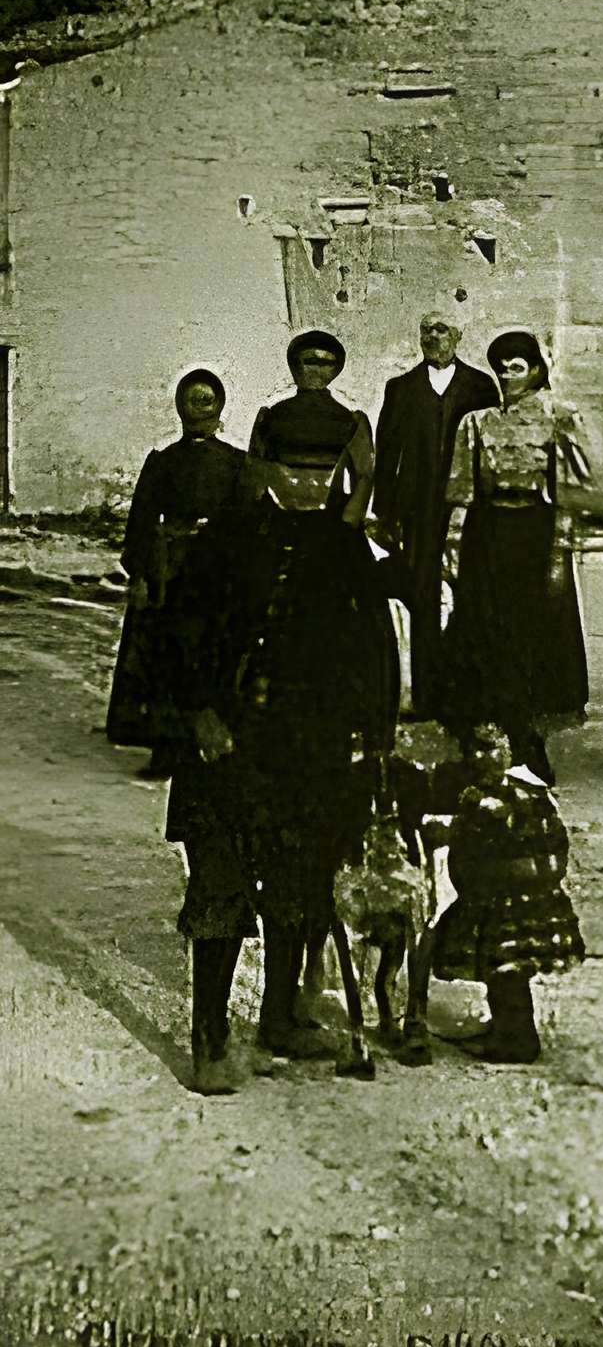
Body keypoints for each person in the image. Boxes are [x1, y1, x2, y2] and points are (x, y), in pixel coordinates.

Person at [165, 329, 398, 1084]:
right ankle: (209, 1036)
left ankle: (282, 1016)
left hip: (313, 745)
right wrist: (200, 714)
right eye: (292, 471)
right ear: (267, 467)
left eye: (320, 472)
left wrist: (375, 732)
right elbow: (179, 633)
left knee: (301, 883)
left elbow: (375, 649)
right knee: (222, 889)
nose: (305, 485)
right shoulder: (227, 540)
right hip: (231, 744)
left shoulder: (345, 549)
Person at [439, 331, 591, 784]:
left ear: (537, 370)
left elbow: (569, 491)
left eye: (517, 366)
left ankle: (529, 742)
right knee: (485, 630)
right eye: (501, 367)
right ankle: (486, 739)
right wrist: (453, 545)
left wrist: (560, 553)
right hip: (488, 534)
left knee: (532, 634)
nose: (507, 374)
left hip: (534, 533)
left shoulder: (559, 418)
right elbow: (462, 488)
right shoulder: (476, 422)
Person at [107, 370, 247, 780]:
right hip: (174, 572)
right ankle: (166, 746)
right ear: (179, 407)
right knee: (169, 657)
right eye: (191, 401)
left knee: (214, 653)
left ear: (219, 407)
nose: (199, 409)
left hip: (217, 572)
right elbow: (142, 522)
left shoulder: (236, 464)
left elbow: (246, 524)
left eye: (207, 401)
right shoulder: (163, 463)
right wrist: (144, 573)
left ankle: (211, 741)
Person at [420, 724, 585, 1064]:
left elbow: (469, 854)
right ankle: (507, 1028)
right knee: (507, 971)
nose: (479, 757)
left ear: (508, 750)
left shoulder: (483, 800)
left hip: (504, 898)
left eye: (488, 748)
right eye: (473, 750)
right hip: (524, 895)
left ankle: (518, 1040)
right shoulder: (532, 792)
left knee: (505, 968)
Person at [373, 314, 501, 716]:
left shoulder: (481, 387)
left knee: (470, 595)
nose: (432, 337)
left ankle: (468, 694)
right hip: (419, 513)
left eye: (441, 329)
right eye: (426, 329)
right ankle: (427, 695)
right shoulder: (401, 389)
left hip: (469, 510)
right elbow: (386, 454)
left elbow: (493, 449)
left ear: (458, 337)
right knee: (422, 597)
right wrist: (387, 514)